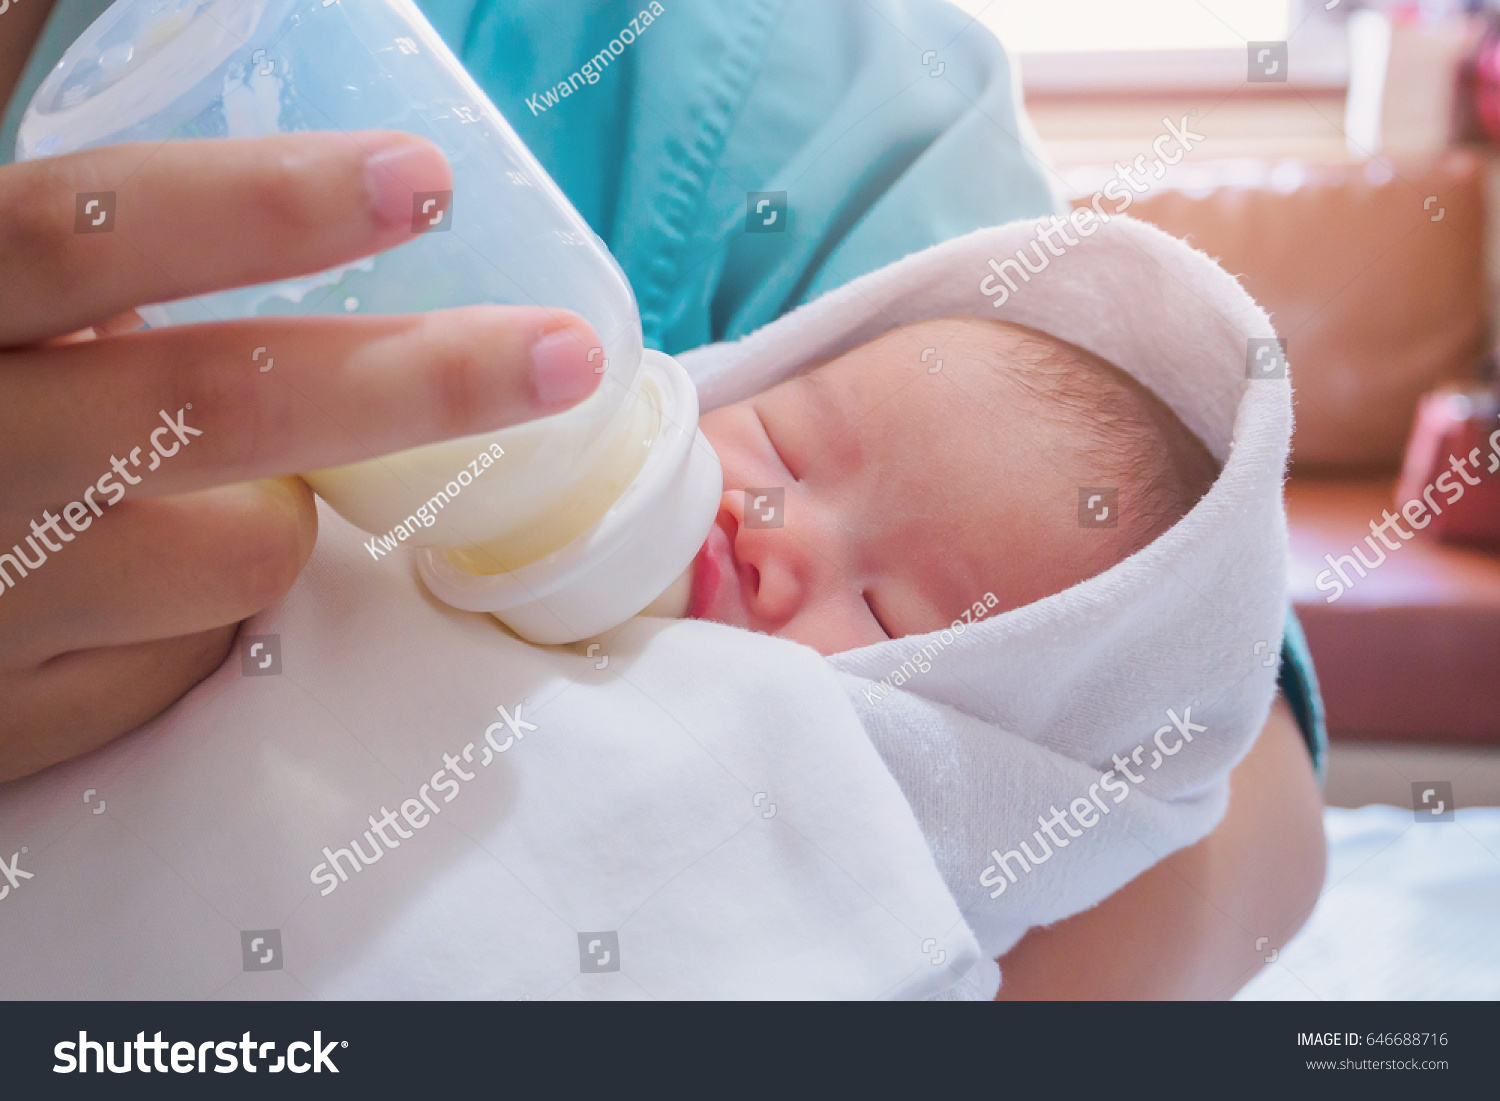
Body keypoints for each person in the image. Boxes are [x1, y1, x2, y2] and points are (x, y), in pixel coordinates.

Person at [0, 0, 1325, 997]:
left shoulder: (743, 54)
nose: (769, 535)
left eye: (885, 602)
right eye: (788, 449)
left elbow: (1222, 794)